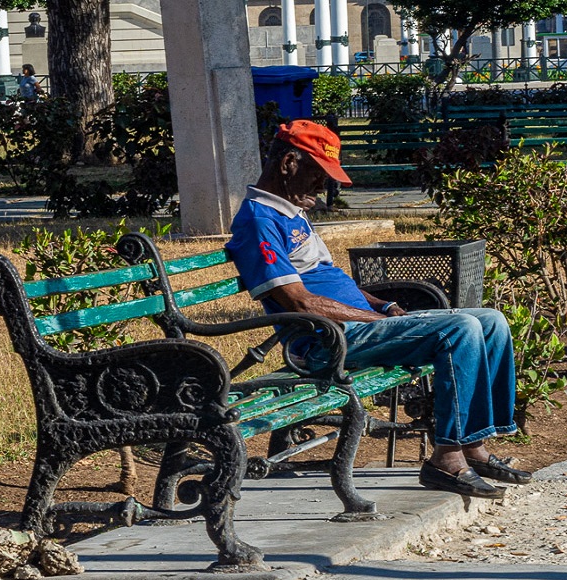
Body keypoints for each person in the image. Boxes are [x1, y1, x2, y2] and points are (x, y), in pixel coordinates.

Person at [225, 119, 531, 500]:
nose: (325, 186)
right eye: (319, 173)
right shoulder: (259, 220)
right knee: (460, 329)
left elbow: (335, 283)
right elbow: (298, 301)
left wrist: (381, 304)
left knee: (491, 322)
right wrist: (377, 319)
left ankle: (476, 446)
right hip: (326, 342)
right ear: (289, 163)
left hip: (356, 328)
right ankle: (447, 458)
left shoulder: (290, 210)